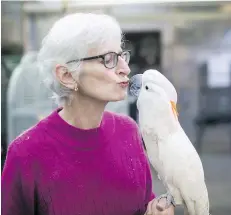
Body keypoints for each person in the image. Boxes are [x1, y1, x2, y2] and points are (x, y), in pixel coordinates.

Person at [1, 13, 175, 215]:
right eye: (109, 59)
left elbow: (144, 203)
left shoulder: (129, 132)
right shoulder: (26, 153)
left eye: (122, 56)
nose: (125, 68)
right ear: (66, 75)